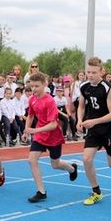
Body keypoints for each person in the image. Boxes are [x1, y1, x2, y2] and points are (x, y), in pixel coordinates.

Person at [77, 56, 111, 205]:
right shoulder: (83, 86)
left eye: (94, 72)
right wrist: (79, 120)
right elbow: (81, 106)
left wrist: (93, 121)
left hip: (109, 129)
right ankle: (96, 192)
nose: (90, 75)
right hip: (94, 130)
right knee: (86, 159)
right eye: (88, 72)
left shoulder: (108, 88)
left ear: (101, 72)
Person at [23, 72, 78, 202]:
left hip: (53, 136)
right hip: (40, 135)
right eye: (32, 86)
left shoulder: (49, 101)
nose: (34, 89)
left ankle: (71, 168)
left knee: (55, 164)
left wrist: (34, 130)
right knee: (31, 160)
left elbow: (53, 124)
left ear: (44, 85)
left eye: (37, 86)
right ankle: (41, 191)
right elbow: (30, 116)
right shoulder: (32, 99)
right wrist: (26, 130)